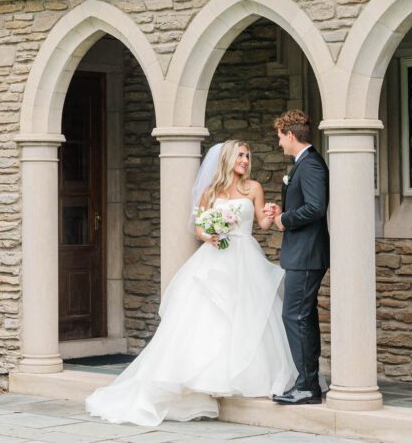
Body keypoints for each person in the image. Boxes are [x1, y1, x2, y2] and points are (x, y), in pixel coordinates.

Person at [85, 140, 297, 426]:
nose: (246, 160)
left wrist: (270, 214)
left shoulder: (254, 188)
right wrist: (208, 234)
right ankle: (202, 379)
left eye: (248, 155)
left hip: (245, 258)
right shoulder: (211, 191)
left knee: (248, 314)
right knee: (209, 317)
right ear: (228, 159)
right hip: (216, 257)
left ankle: (243, 376)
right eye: (241, 155)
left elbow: (261, 224)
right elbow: (198, 226)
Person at [262, 110, 330, 405]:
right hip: (301, 253)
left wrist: (285, 220)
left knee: (295, 316)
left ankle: (306, 386)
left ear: (290, 135)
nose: (279, 143)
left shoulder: (311, 164)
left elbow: (316, 207)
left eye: (279, 137)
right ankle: (309, 381)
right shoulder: (301, 164)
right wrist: (283, 212)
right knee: (303, 317)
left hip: (307, 254)